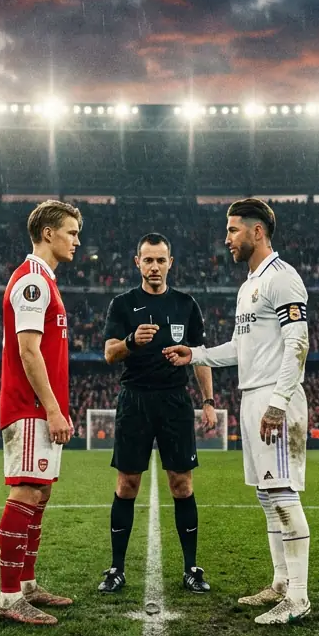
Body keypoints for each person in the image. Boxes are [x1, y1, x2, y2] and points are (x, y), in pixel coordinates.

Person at [164, 198, 312, 625]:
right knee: (267, 496)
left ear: (257, 232)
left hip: (273, 398)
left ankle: (299, 597)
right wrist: (196, 353)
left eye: (232, 230)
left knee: (283, 493)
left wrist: (279, 403)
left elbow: (297, 344)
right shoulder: (249, 285)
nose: (226, 239)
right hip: (251, 396)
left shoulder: (283, 279)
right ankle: (281, 583)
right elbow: (240, 348)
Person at [97, 233, 218, 595]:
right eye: (147, 260)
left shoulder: (186, 304)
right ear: (137, 263)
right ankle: (116, 568)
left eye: (160, 260)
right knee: (127, 485)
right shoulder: (122, 304)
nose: (154, 267)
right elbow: (108, 353)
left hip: (174, 402)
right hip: (134, 400)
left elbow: (198, 355)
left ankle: (191, 568)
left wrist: (208, 401)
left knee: (182, 485)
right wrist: (132, 342)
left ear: (170, 263)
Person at [0, 199, 82, 625]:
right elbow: (29, 352)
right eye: (71, 232)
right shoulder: (33, 280)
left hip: (41, 407)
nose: (76, 241)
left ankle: (27, 586)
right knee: (26, 491)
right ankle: (10, 598)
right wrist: (51, 409)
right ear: (48, 233)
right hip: (30, 407)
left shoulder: (45, 279)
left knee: (40, 493)